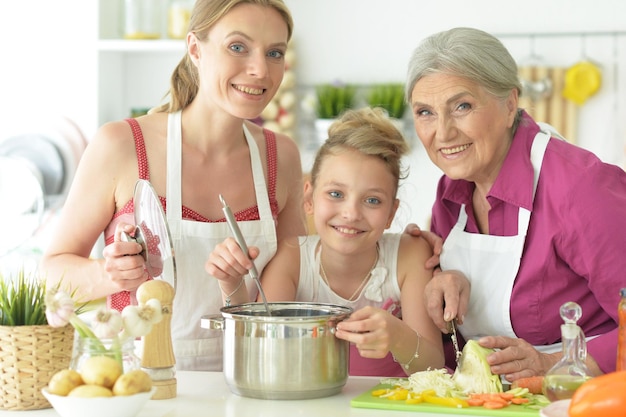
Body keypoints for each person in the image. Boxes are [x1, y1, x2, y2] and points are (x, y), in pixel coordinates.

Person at [40, 0, 305, 371]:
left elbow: (302, 280)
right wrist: (110, 273)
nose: (260, 69)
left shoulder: (282, 157)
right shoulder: (121, 145)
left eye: (274, 53)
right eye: (238, 47)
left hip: (252, 383)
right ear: (196, 49)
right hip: (137, 387)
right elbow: (50, 275)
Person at [404, 27, 625, 381]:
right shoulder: (451, 192)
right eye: (425, 112)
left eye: (462, 106)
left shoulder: (580, 188)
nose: (442, 133)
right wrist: (439, 280)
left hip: (581, 395)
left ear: (509, 105)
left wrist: (552, 365)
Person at [207, 107, 445, 377]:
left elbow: (434, 366)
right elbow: (260, 350)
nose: (351, 213)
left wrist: (398, 336)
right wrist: (232, 283)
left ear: (391, 212)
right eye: (335, 193)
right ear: (309, 200)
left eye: (372, 200)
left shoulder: (410, 255)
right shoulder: (292, 259)